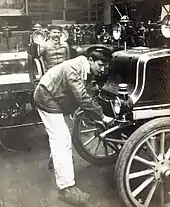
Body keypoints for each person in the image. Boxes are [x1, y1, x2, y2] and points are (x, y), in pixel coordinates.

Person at [33, 46, 113, 206]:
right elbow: (82, 97)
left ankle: (55, 161)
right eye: (100, 64)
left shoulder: (85, 68)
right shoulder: (73, 69)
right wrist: (102, 117)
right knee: (61, 139)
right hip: (47, 98)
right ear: (90, 60)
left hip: (56, 96)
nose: (102, 69)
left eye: (105, 66)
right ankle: (66, 188)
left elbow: (86, 93)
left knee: (61, 135)